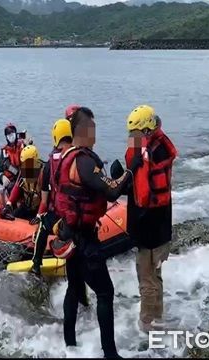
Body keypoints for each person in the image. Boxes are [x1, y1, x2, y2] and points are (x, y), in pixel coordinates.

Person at [54, 107, 143, 359]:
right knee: (105, 293)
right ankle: (110, 353)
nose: (95, 133)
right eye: (92, 128)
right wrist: (131, 169)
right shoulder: (83, 161)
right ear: (84, 131)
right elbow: (112, 191)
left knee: (73, 288)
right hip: (84, 241)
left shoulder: (64, 157)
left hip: (69, 235)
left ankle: (69, 345)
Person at [124, 105, 178, 333]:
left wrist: (127, 174)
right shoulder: (162, 146)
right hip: (163, 225)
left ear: (145, 131)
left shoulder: (143, 156)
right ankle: (158, 316)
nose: (131, 138)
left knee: (146, 277)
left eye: (135, 134)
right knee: (156, 275)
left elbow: (143, 196)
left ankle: (147, 324)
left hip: (148, 228)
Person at [29, 118, 74, 276]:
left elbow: (44, 200)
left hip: (59, 214)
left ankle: (36, 264)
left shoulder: (49, 165)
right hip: (77, 213)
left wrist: (39, 215)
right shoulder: (79, 157)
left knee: (43, 227)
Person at [0, 144, 43, 221]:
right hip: (27, 207)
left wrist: (39, 215)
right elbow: (17, 187)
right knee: (10, 217)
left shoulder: (43, 174)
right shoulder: (23, 171)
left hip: (39, 209)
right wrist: (8, 204)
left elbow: (45, 200)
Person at [0, 122, 26, 206]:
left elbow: (25, 169)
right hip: (10, 181)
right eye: (8, 134)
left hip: (21, 179)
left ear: (16, 133)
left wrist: (8, 166)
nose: (11, 136)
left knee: (13, 186)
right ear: (6, 137)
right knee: (10, 186)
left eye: (12, 133)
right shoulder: (4, 151)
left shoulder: (22, 146)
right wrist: (2, 177)